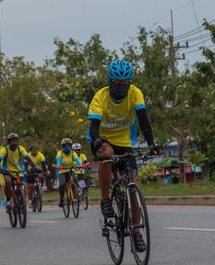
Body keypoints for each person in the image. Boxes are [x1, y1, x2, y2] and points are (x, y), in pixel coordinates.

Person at [87, 59, 163, 252]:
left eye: (125, 83)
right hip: (102, 139)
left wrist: (152, 144)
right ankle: (105, 198)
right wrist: (97, 142)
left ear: (129, 82)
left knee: (133, 186)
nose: (121, 88)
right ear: (111, 82)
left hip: (125, 142)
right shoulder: (100, 97)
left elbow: (143, 120)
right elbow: (93, 127)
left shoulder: (135, 93)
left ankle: (136, 232)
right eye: (118, 83)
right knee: (107, 154)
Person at [0, 133, 34, 212]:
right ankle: (8, 202)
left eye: (16, 141)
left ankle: (22, 201)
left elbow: (27, 158)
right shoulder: (5, 150)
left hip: (19, 171)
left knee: (22, 186)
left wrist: (33, 166)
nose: (14, 143)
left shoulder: (21, 149)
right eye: (12, 141)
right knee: (8, 182)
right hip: (8, 172)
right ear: (9, 142)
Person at [55, 138, 82, 208]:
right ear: (62, 147)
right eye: (65, 146)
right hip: (62, 171)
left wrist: (81, 165)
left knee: (75, 179)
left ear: (70, 146)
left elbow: (77, 159)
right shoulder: (60, 152)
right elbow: (58, 159)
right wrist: (58, 165)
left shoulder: (73, 152)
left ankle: (76, 195)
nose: (67, 147)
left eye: (68, 145)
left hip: (70, 170)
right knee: (62, 184)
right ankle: (62, 199)